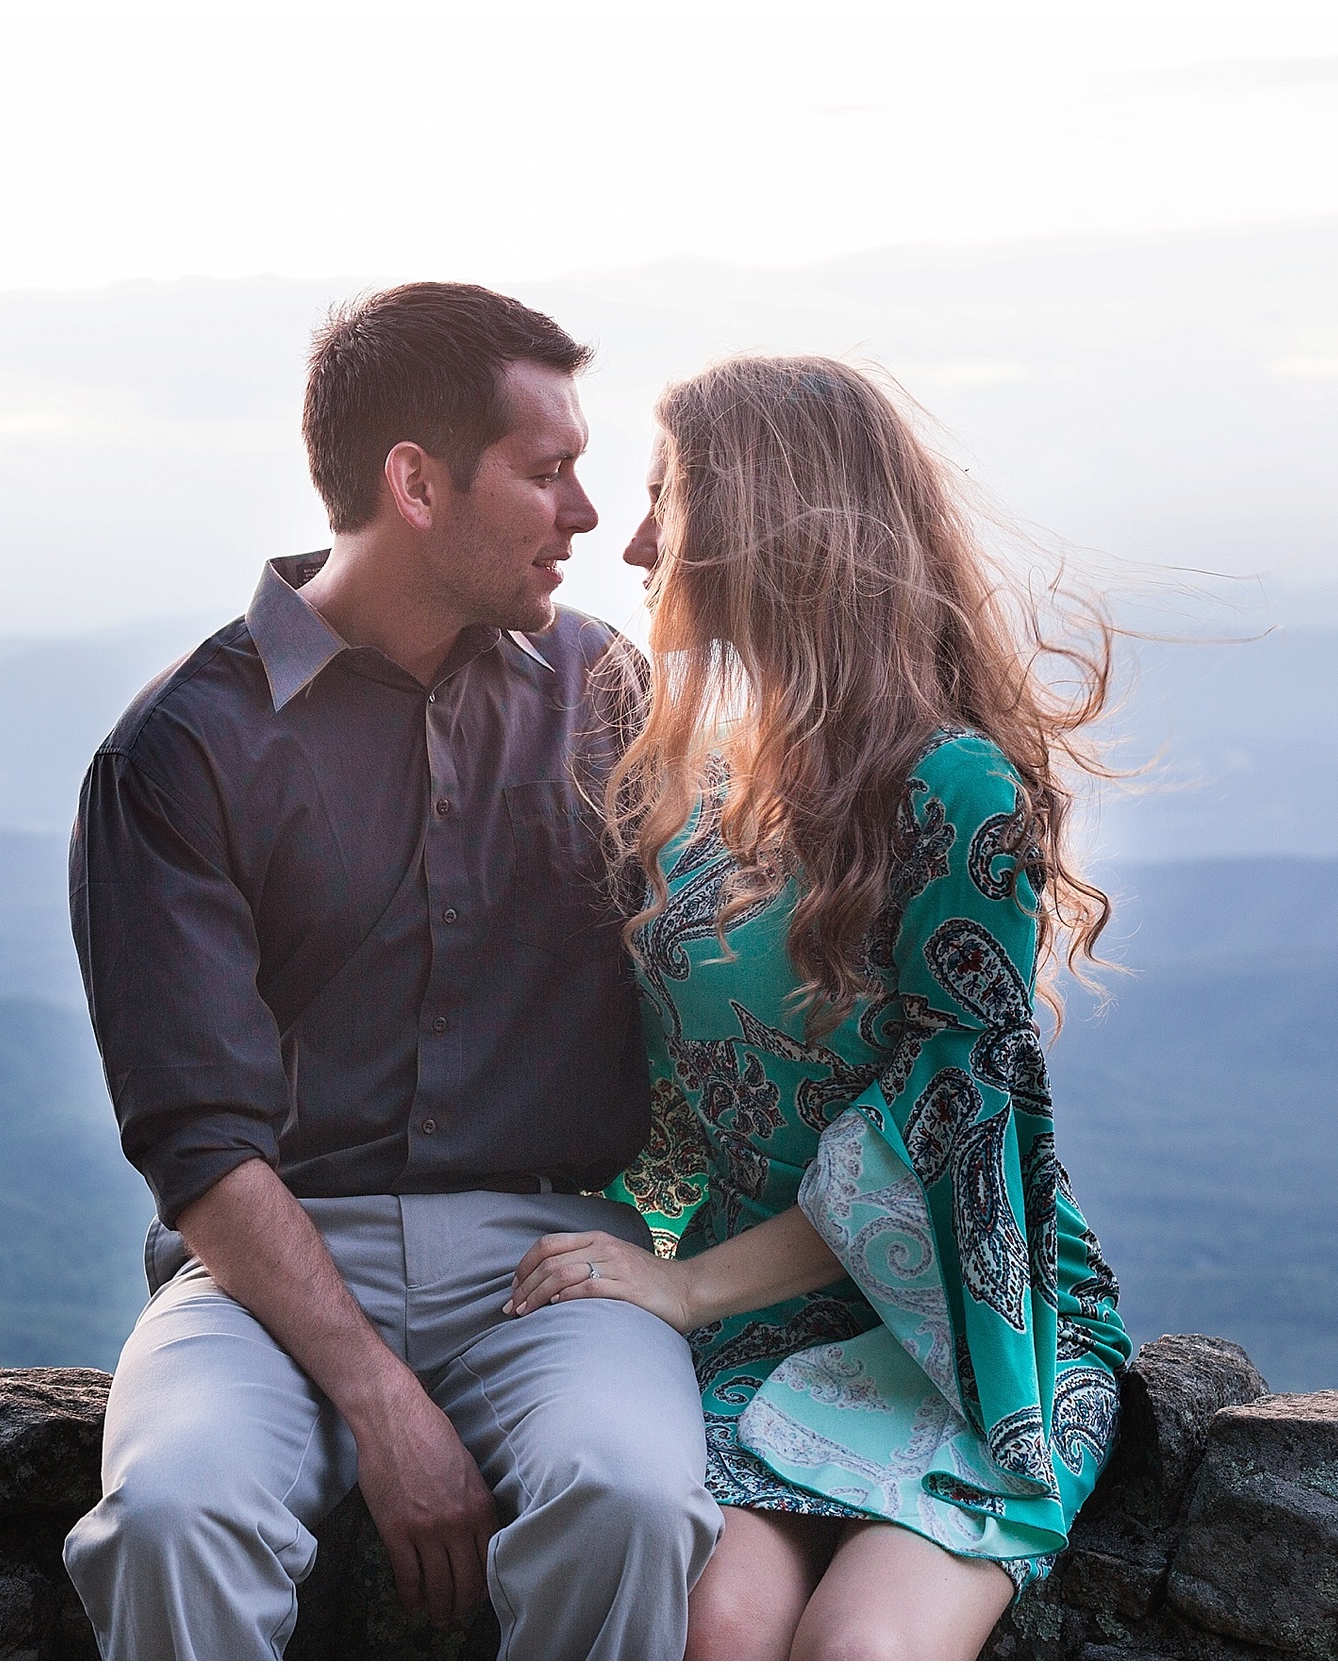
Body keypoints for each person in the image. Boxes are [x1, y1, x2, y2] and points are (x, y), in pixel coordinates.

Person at [61, 283, 720, 1659]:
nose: (587, 515)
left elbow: (735, 1012)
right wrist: (382, 1398)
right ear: (415, 483)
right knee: (174, 1513)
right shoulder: (181, 751)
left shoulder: (611, 702)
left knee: (634, 1497)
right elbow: (197, 1138)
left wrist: (671, 1244)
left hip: (563, 1257)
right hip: (268, 1266)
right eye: (547, 474)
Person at [505, 356, 1131, 1661]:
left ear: (761, 522)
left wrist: (678, 1292)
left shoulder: (961, 793)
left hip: (972, 1333)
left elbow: (944, 1140)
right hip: (761, 1328)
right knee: (722, 1628)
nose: (630, 543)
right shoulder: (691, 781)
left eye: (662, 501)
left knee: (858, 1649)